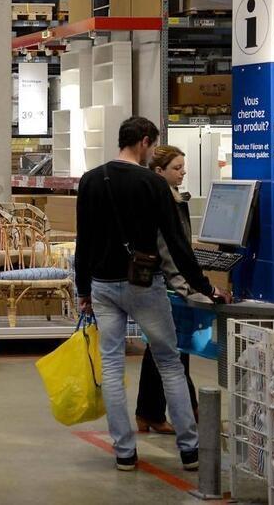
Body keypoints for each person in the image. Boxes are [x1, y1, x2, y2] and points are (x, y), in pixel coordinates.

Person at [75, 117, 227, 472]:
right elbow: (176, 244)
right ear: (144, 142)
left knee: (112, 366)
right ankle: (189, 450)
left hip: (102, 284)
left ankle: (124, 453)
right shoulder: (152, 184)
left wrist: (83, 288)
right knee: (169, 362)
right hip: (145, 283)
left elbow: (85, 241)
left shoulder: (91, 180)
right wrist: (204, 287)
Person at [135, 145, 203, 433]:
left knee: (162, 348)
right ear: (158, 171)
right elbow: (167, 251)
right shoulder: (162, 202)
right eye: (177, 167)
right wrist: (187, 287)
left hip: (167, 283)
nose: (183, 172)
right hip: (165, 284)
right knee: (174, 349)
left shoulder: (174, 198)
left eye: (183, 166)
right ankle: (190, 414)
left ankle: (149, 412)